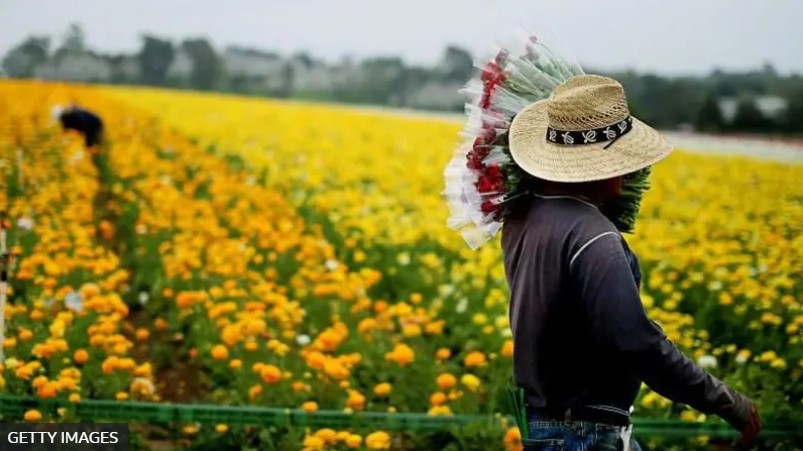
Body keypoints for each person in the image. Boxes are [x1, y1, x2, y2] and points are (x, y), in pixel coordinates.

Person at [500, 74, 761, 450]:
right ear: (594, 166)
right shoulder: (594, 237)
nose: (632, 170)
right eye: (622, 158)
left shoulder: (523, 217)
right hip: (587, 435)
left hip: (547, 426)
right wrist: (726, 402)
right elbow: (636, 342)